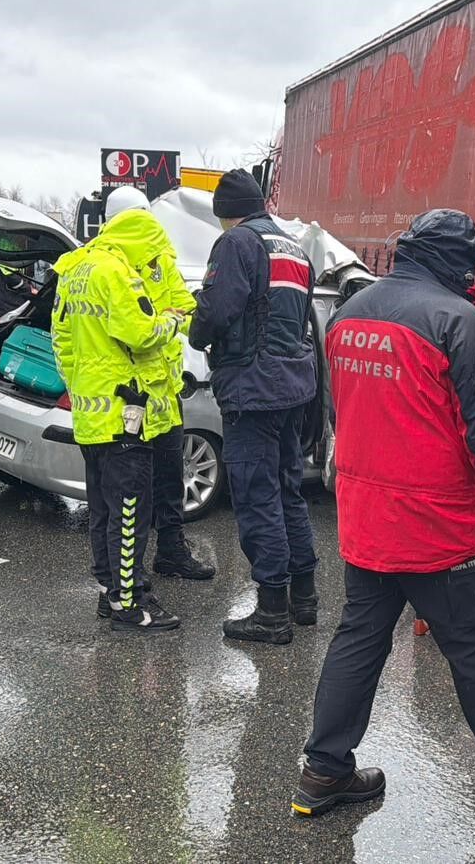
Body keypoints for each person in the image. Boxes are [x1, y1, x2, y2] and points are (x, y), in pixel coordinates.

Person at [292, 209, 475, 816]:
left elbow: (336, 413)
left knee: (359, 641)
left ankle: (324, 772)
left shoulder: (347, 315)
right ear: (457, 262)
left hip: (367, 520)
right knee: (474, 649)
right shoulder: (459, 322)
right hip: (442, 530)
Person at [190, 170, 320, 646]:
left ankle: (271, 613)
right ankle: (303, 599)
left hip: (253, 389)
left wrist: (196, 329)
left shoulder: (236, 244)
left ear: (225, 213)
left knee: (255, 496)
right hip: (292, 388)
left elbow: (219, 310)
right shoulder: (294, 248)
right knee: (288, 491)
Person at [51, 203, 188, 632]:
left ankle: (109, 593)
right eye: (149, 254)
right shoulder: (117, 272)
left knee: (103, 511)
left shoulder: (74, 270)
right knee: (131, 510)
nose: (149, 264)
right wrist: (170, 320)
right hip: (125, 413)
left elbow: (61, 340)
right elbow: (140, 333)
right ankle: (131, 603)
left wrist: (79, 385)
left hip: (92, 414)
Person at [100, 185, 214, 580]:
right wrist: (166, 321)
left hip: (163, 395)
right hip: (128, 399)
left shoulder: (158, 260)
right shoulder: (108, 267)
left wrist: (192, 319)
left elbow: (184, 307)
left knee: (168, 479)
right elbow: (138, 330)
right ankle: (127, 579)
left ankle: (170, 554)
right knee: (132, 492)